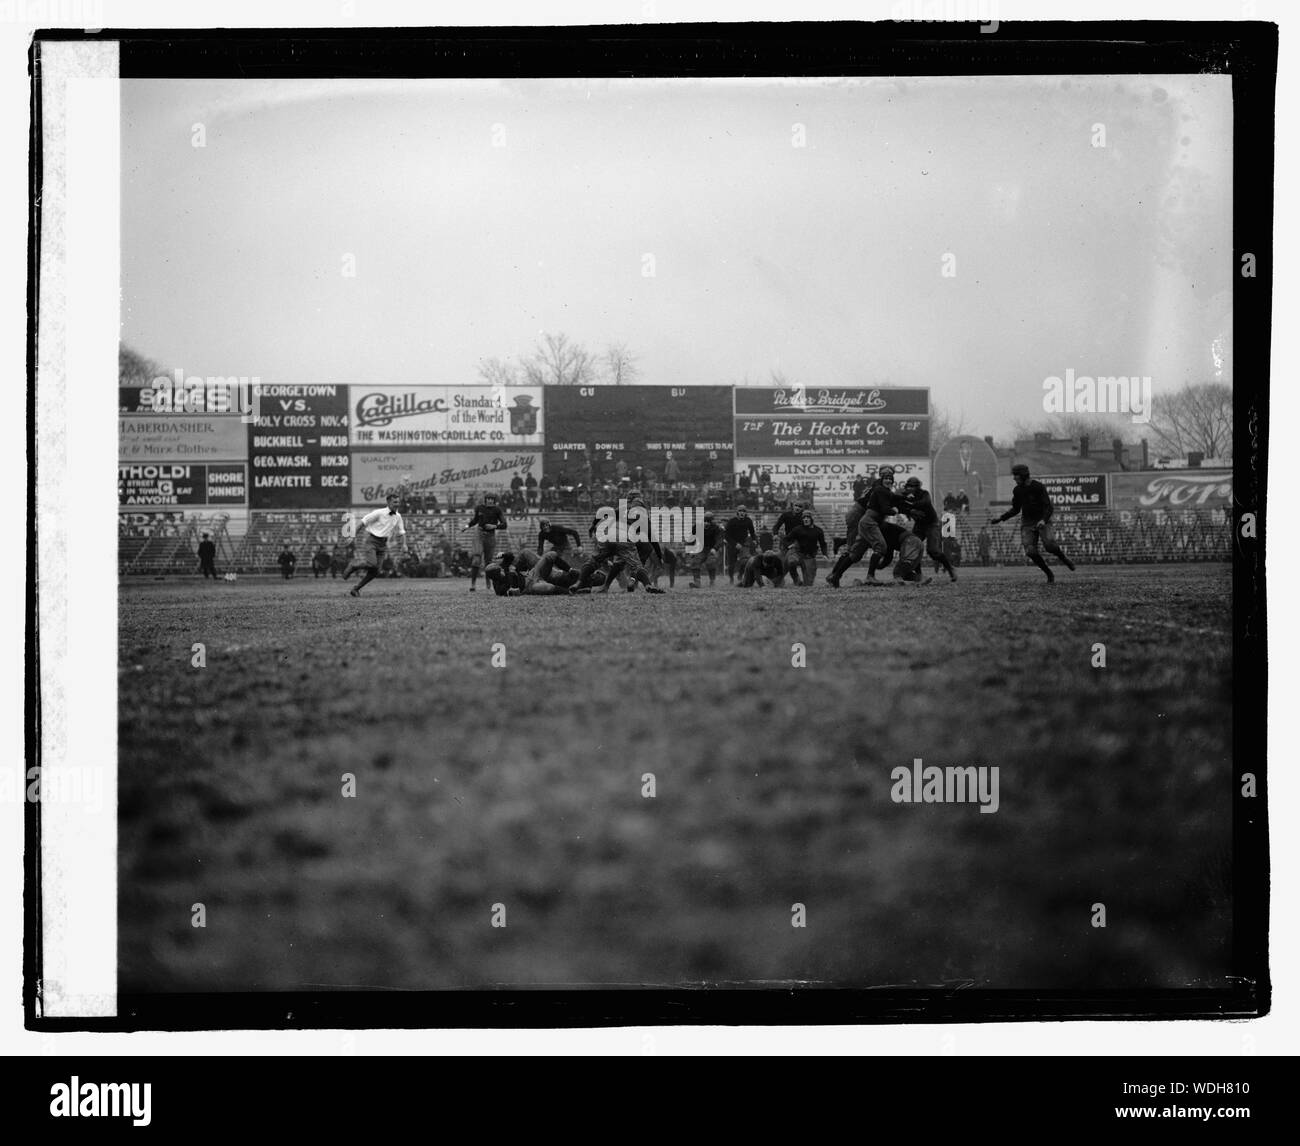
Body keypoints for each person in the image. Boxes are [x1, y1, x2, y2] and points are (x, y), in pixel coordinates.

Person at [989, 464, 1077, 582]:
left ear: (1023, 476)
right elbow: (1016, 509)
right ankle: (1048, 573)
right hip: (1027, 522)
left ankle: (1064, 559)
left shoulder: (1038, 487)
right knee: (1030, 551)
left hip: (1042, 519)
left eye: (1016, 475)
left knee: (1050, 546)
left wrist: (1043, 520)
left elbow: (1048, 507)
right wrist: (1001, 518)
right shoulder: (1017, 490)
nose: (1014, 478)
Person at [343, 493, 409, 596]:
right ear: (388, 502)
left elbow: (402, 532)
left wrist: (404, 545)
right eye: (394, 502)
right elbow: (362, 522)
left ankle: (356, 589)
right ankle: (353, 565)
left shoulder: (398, 516)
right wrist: (352, 536)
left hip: (383, 545)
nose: (397, 504)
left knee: (376, 571)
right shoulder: (378, 513)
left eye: (398, 502)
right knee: (372, 564)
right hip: (372, 541)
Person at [900, 476, 957, 582]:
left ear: (917, 487)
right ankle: (919, 575)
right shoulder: (905, 496)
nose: (910, 488)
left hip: (932, 524)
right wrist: (907, 506)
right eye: (909, 486)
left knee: (933, 551)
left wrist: (910, 503)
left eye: (913, 486)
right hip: (919, 525)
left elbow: (925, 503)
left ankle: (950, 568)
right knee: (914, 548)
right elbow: (900, 505)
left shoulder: (924, 494)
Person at [464, 493, 509, 592]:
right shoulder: (479, 508)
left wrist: (495, 526)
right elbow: (475, 520)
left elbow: (504, 524)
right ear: (485, 500)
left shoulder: (497, 510)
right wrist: (467, 526)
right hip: (479, 534)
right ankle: (473, 584)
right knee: (476, 558)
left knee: (488, 562)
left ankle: (488, 583)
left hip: (491, 535)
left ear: (494, 500)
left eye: (491, 499)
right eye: (488, 499)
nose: (490, 500)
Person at [783, 510, 828, 586]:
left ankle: (806, 579)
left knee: (808, 584)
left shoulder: (818, 530)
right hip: (797, 553)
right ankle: (796, 580)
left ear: (812, 519)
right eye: (804, 518)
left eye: (808, 517)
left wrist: (825, 554)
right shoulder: (797, 529)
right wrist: (789, 545)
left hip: (809, 557)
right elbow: (785, 539)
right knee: (791, 562)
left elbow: (823, 544)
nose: (806, 519)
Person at [687, 511, 723, 588]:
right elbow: (691, 538)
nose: (706, 523)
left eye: (709, 521)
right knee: (695, 562)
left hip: (712, 549)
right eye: (705, 521)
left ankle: (712, 581)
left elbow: (719, 540)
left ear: (712, 522)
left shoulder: (716, 528)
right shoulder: (697, 527)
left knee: (710, 562)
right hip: (701, 548)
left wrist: (715, 548)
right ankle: (697, 582)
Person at [722, 506, 757, 584]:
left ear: (745, 513)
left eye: (744, 511)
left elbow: (752, 532)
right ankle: (731, 579)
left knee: (745, 560)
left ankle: (740, 575)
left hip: (743, 543)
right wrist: (735, 544)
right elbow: (726, 535)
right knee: (732, 563)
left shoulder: (748, 521)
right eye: (740, 511)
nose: (742, 512)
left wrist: (754, 540)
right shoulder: (732, 521)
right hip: (732, 544)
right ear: (737, 512)